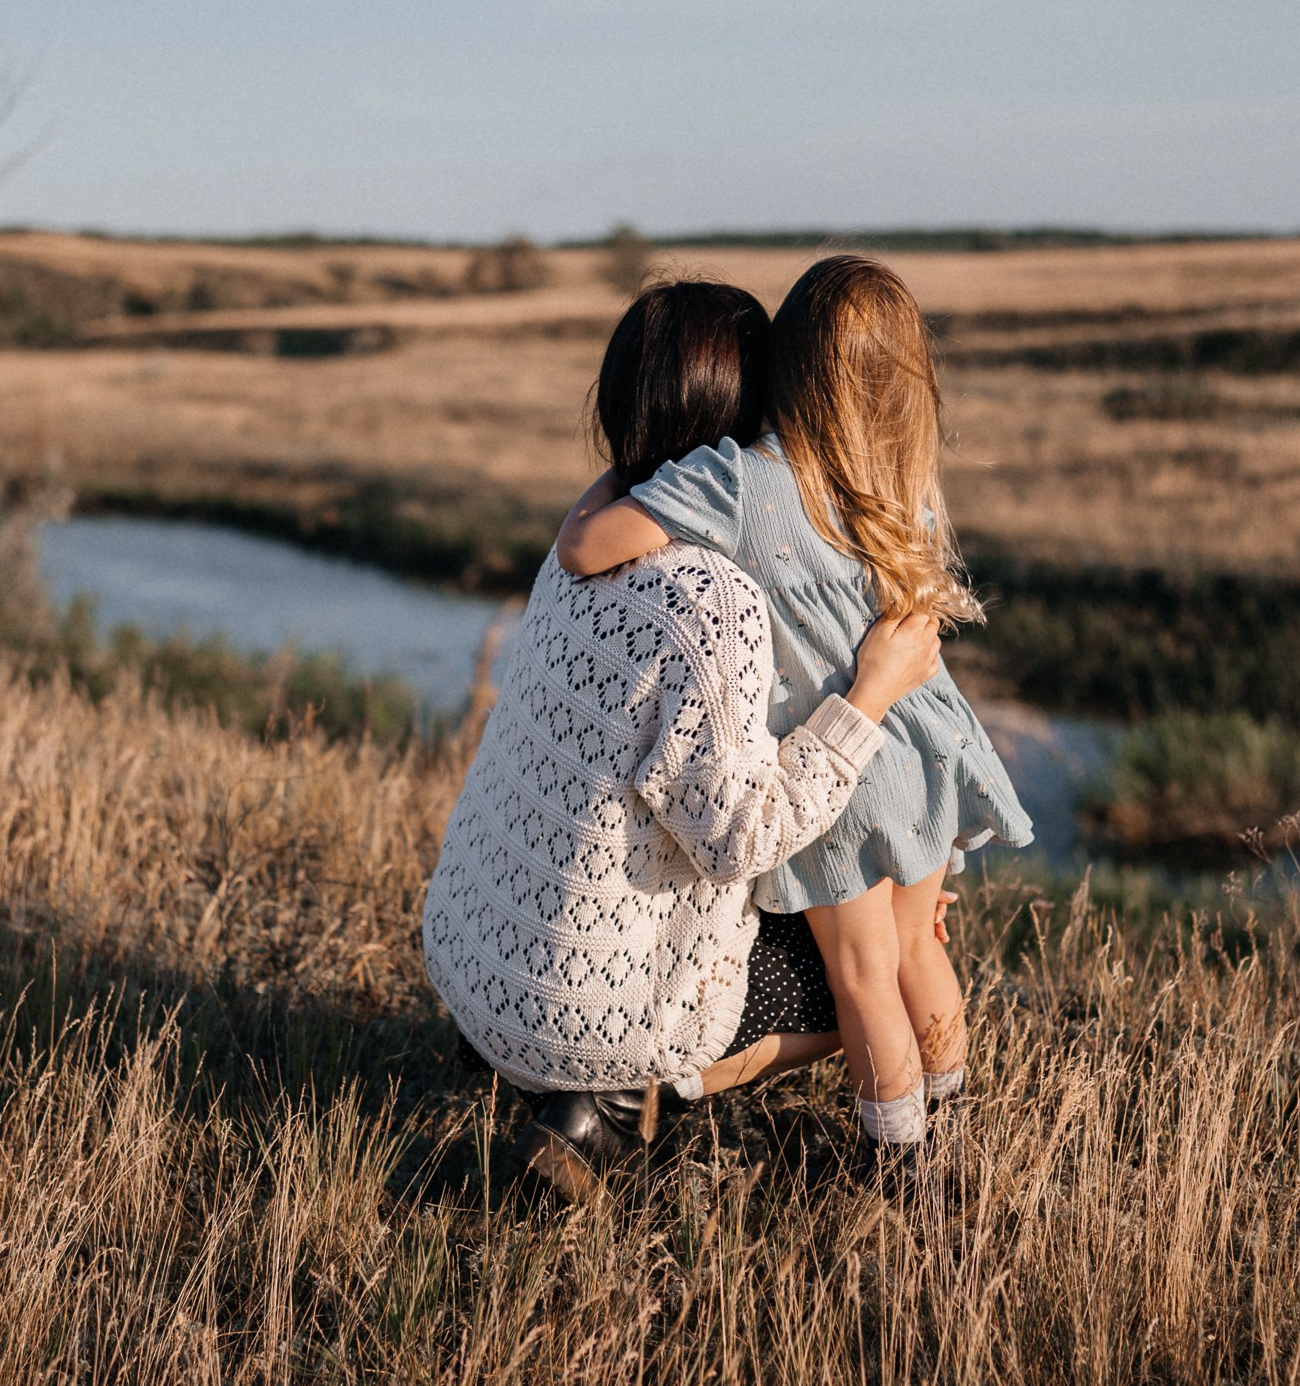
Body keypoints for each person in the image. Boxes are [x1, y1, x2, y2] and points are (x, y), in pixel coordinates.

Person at [422, 277, 942, 1198]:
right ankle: (617, 1100)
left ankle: (563, 1074)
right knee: (864, 964)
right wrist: (867, 697)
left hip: (472, 964)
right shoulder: (715, 602)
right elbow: (741, 837)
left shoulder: (574, 546)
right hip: (578, 1008)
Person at [556, 254, 1031, 1159]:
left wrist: (617, 478)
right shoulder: (902, 492)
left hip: (845, 769)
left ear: (787, 366)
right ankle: (954, 1125)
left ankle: (902, 1160)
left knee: (862, 980)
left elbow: (586, 548)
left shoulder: (739, 479)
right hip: (929, 747)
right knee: (921, 951)